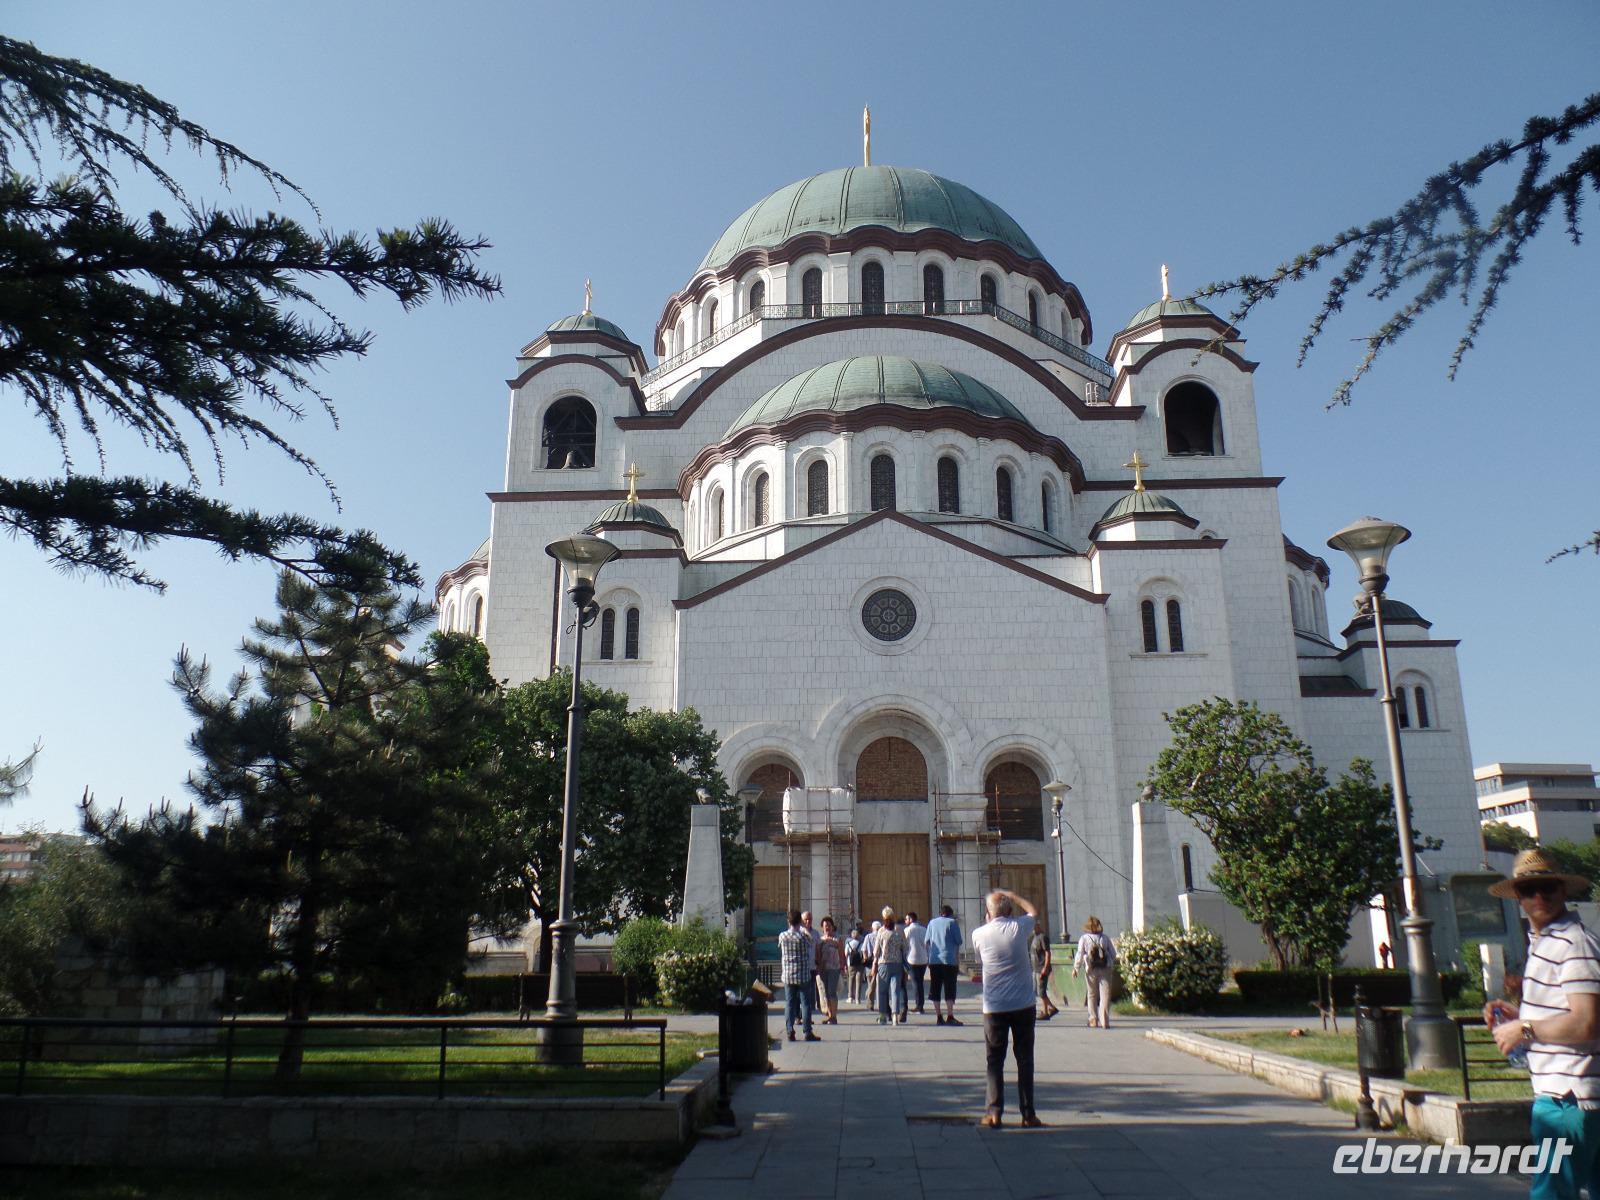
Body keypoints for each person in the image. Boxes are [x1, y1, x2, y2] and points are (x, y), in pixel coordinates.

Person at [1484, 849, 1600, 1200]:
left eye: (1547, 887)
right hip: (1577, 1097)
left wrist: (1524, 1029)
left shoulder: (1572, 943)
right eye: (1529, 890)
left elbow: (1587, 1023)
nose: (1539, 897)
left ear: (1563, 890)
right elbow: (1567, 1012)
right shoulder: (1547, 942)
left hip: (1569, 1097)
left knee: (1552, 1193)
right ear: (1517, 897)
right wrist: (1518, 1016)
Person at [971, 889, 1042, 1128]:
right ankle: (1028, 1114)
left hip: (994, 1006)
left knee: (994, 1061)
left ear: (987, 913)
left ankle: (994, 1113)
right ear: (1010, 911)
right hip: (1023, 1004)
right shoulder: (1018, 927)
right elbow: (1033, 911)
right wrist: (1012, 894)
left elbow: (980, 959)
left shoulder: (978, 934)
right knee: (1025, 1060)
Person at [779, 910, 821, 1042]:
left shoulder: (783, 936)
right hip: (803, 974)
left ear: (788, 921)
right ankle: (807, 1032)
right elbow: (812, 942)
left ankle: (789, 1031)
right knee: (806, 1004)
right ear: (800, 921)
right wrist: (804, 930)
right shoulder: (803, 936)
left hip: (788, 975)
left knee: (789, 1003)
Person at [1072, 916, 1116, 1029]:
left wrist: (1076, 968)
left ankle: (1093, 1019)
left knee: (1092, 994)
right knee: (1105, 995)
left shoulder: (1084, 938)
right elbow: (1113, 954)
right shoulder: (1105, 938)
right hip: (1105, 968)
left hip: (1090, 969)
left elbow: (1080, 954)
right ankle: (1104, 1020)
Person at [926, 904, 964, 1026]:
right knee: (950, 988)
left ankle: (938, 1016)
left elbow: (927, 941)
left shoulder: (932, 923)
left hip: (934, 960)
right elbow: (959, 941)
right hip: (949, 960)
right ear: (950, 914)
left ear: (940, 913)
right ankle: (950, 1015)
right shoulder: (952, 923)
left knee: (935, 988)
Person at [872, 906, 907, 1026]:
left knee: (882, 991)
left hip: (883, 964)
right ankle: (895, 1016)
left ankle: (882, 1016)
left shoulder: (881, 931)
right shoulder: (899, 931)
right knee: (895, 991)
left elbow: (876, 951)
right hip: (897, 964)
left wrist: (874, 964)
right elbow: (905, 948)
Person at [815, 916, 844, 1025]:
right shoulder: (820, 940)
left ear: (832, 927)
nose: (827, 928)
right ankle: (829, 1015)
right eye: (825, 926)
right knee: (826, 993)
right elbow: (818, 955)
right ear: (822, 928)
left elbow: (841, 954)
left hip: (834, 969)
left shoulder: (837, 939)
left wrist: (842, 967)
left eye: (829, 926)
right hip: (823, 969)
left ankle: (834, 1016)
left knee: (832, 992)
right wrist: (818, 968)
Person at [1030, 924, 1058, 1020]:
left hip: (1041, 968)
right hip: (1035, 968)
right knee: (1038, 991)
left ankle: (1047, 1011)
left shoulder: (1043, 937)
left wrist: (1046, 967)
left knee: (1041, 991)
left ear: (1038, 926)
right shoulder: (1034, 937)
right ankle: (1049, 1008)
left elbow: (1047, 953)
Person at [904, 911, 929, 1015]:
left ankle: (919, 1006)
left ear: (910, 919)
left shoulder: (907, 930)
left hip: (912, 959)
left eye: (906, 919)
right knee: (920, 982)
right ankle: (920, 1005)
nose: (905, 921)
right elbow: (927, 944)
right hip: (923, 959)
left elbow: (905, 944)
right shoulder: (924, 929)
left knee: (915, 983)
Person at [845, 924, 867, 1005]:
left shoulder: (848, 944)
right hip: (859, 964)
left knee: (851, 980)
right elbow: (863, 953)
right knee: (859, 981)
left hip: (851, 964)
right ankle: (858, 999)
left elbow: (846, 954)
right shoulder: (861, 944)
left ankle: (850, 997)